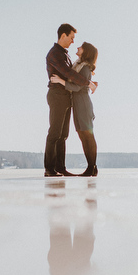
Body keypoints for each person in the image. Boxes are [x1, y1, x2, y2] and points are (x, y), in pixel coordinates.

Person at [45, 24, 98, 177]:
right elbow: (68, 73)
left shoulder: (65, 54)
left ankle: (60, 167)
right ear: (63, 36)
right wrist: (88, 83)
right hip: (57, 96)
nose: (73, 42)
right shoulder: (55, 53)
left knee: (63, 135)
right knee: (55, 133)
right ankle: (49, 169)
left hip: (66, 97)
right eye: (71, 38)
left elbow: (76, 76)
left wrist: (89, 81)